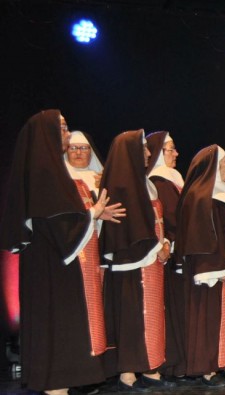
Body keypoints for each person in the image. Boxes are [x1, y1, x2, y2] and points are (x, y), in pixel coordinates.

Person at [0, 111, 123, 395]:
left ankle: (64, 386)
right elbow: (58, 224)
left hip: (59, 266)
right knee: (58, 324)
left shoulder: (52, 171)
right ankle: (57, 387)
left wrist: (95, 217)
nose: (68, 134)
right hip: (51, 267)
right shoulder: (44, 172)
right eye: (63, 128)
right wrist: (92, 213)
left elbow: (69, 220)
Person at [99, 129, 174, 391]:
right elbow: (129, 229)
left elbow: (157, 222)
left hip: (153, 259)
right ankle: (128, 373)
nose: (149, 153)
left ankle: (151, 367)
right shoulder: (121, 184)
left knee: (152, 315)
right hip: (132, 264)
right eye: (143, 149)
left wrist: (165, 244)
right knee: (132, 317)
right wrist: (157, 248)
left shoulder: (147, 183)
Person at [175, 145, 225, 387]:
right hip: (210, 270)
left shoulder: (221, 195)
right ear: (212, 167)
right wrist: (215, 268)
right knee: (208, 317)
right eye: (224, 164)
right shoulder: (200, 197)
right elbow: (202, 238)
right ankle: (207, 366)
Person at [145, 131, 189, 382]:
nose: (176, 154)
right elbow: (170, 219)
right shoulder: (158, 181)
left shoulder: (174, 179)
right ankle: (172, 365)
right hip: (169, 254)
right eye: (170, 149)